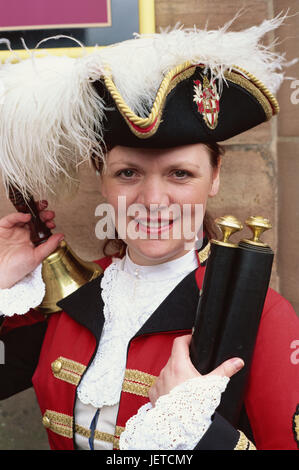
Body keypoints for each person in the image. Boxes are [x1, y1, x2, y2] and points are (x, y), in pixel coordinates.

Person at [0, 15, 298, 451]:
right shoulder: (69, 297)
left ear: (214, 177)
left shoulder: (262, 316)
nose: (153, 199)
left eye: (180, 173)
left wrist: (197, 431)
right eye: (128, 173)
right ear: (102, 179)